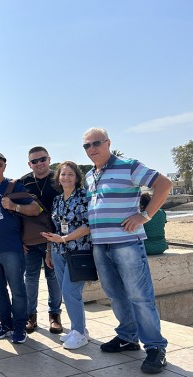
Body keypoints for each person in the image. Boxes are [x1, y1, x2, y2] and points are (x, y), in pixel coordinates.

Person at [83, 127, 171, 374]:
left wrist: (144, 215)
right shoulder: (91, 175)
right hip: (101, 245)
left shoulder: (128, 165)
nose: (92, 149)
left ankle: (155, 347)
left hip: (126, 244)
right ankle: (127, 337)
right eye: (87, 146)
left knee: (140, 296)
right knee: (115, 294)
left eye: (96, 143)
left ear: (108, 143)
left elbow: (164, 184)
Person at [0, 152, 42, 344]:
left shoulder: (14, 186)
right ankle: (5, 324)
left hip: (11, 249)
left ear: (4, 167)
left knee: (17, 289)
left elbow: (35, 209)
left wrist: (15, 206)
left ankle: (20, 326)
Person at [41, 161, 92, 350]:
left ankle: (79, 332)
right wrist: (49, 248)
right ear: (58, 178)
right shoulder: (57, 200)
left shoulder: (84, 196)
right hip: (58, 252)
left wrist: (64, 238)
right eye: (63, 174)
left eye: (70, 174)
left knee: (71, 292)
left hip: (78, 251)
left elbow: (88, 226)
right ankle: (78, 330)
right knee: (66, 292)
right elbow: (54, 227)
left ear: (77, 177)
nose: (66, 177)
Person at [20, 146, 63, 334]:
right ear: (29, 164)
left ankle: (55, 316)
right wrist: (19, 239)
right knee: (30, 278)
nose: (39, 163)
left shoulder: (59, 179)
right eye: (35, 161)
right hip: (30, 240)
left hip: (54, 240)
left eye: (42, 159)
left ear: (49, 159)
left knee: (53, 278)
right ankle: (31, 316)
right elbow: (16, 213)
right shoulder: (23, 183)